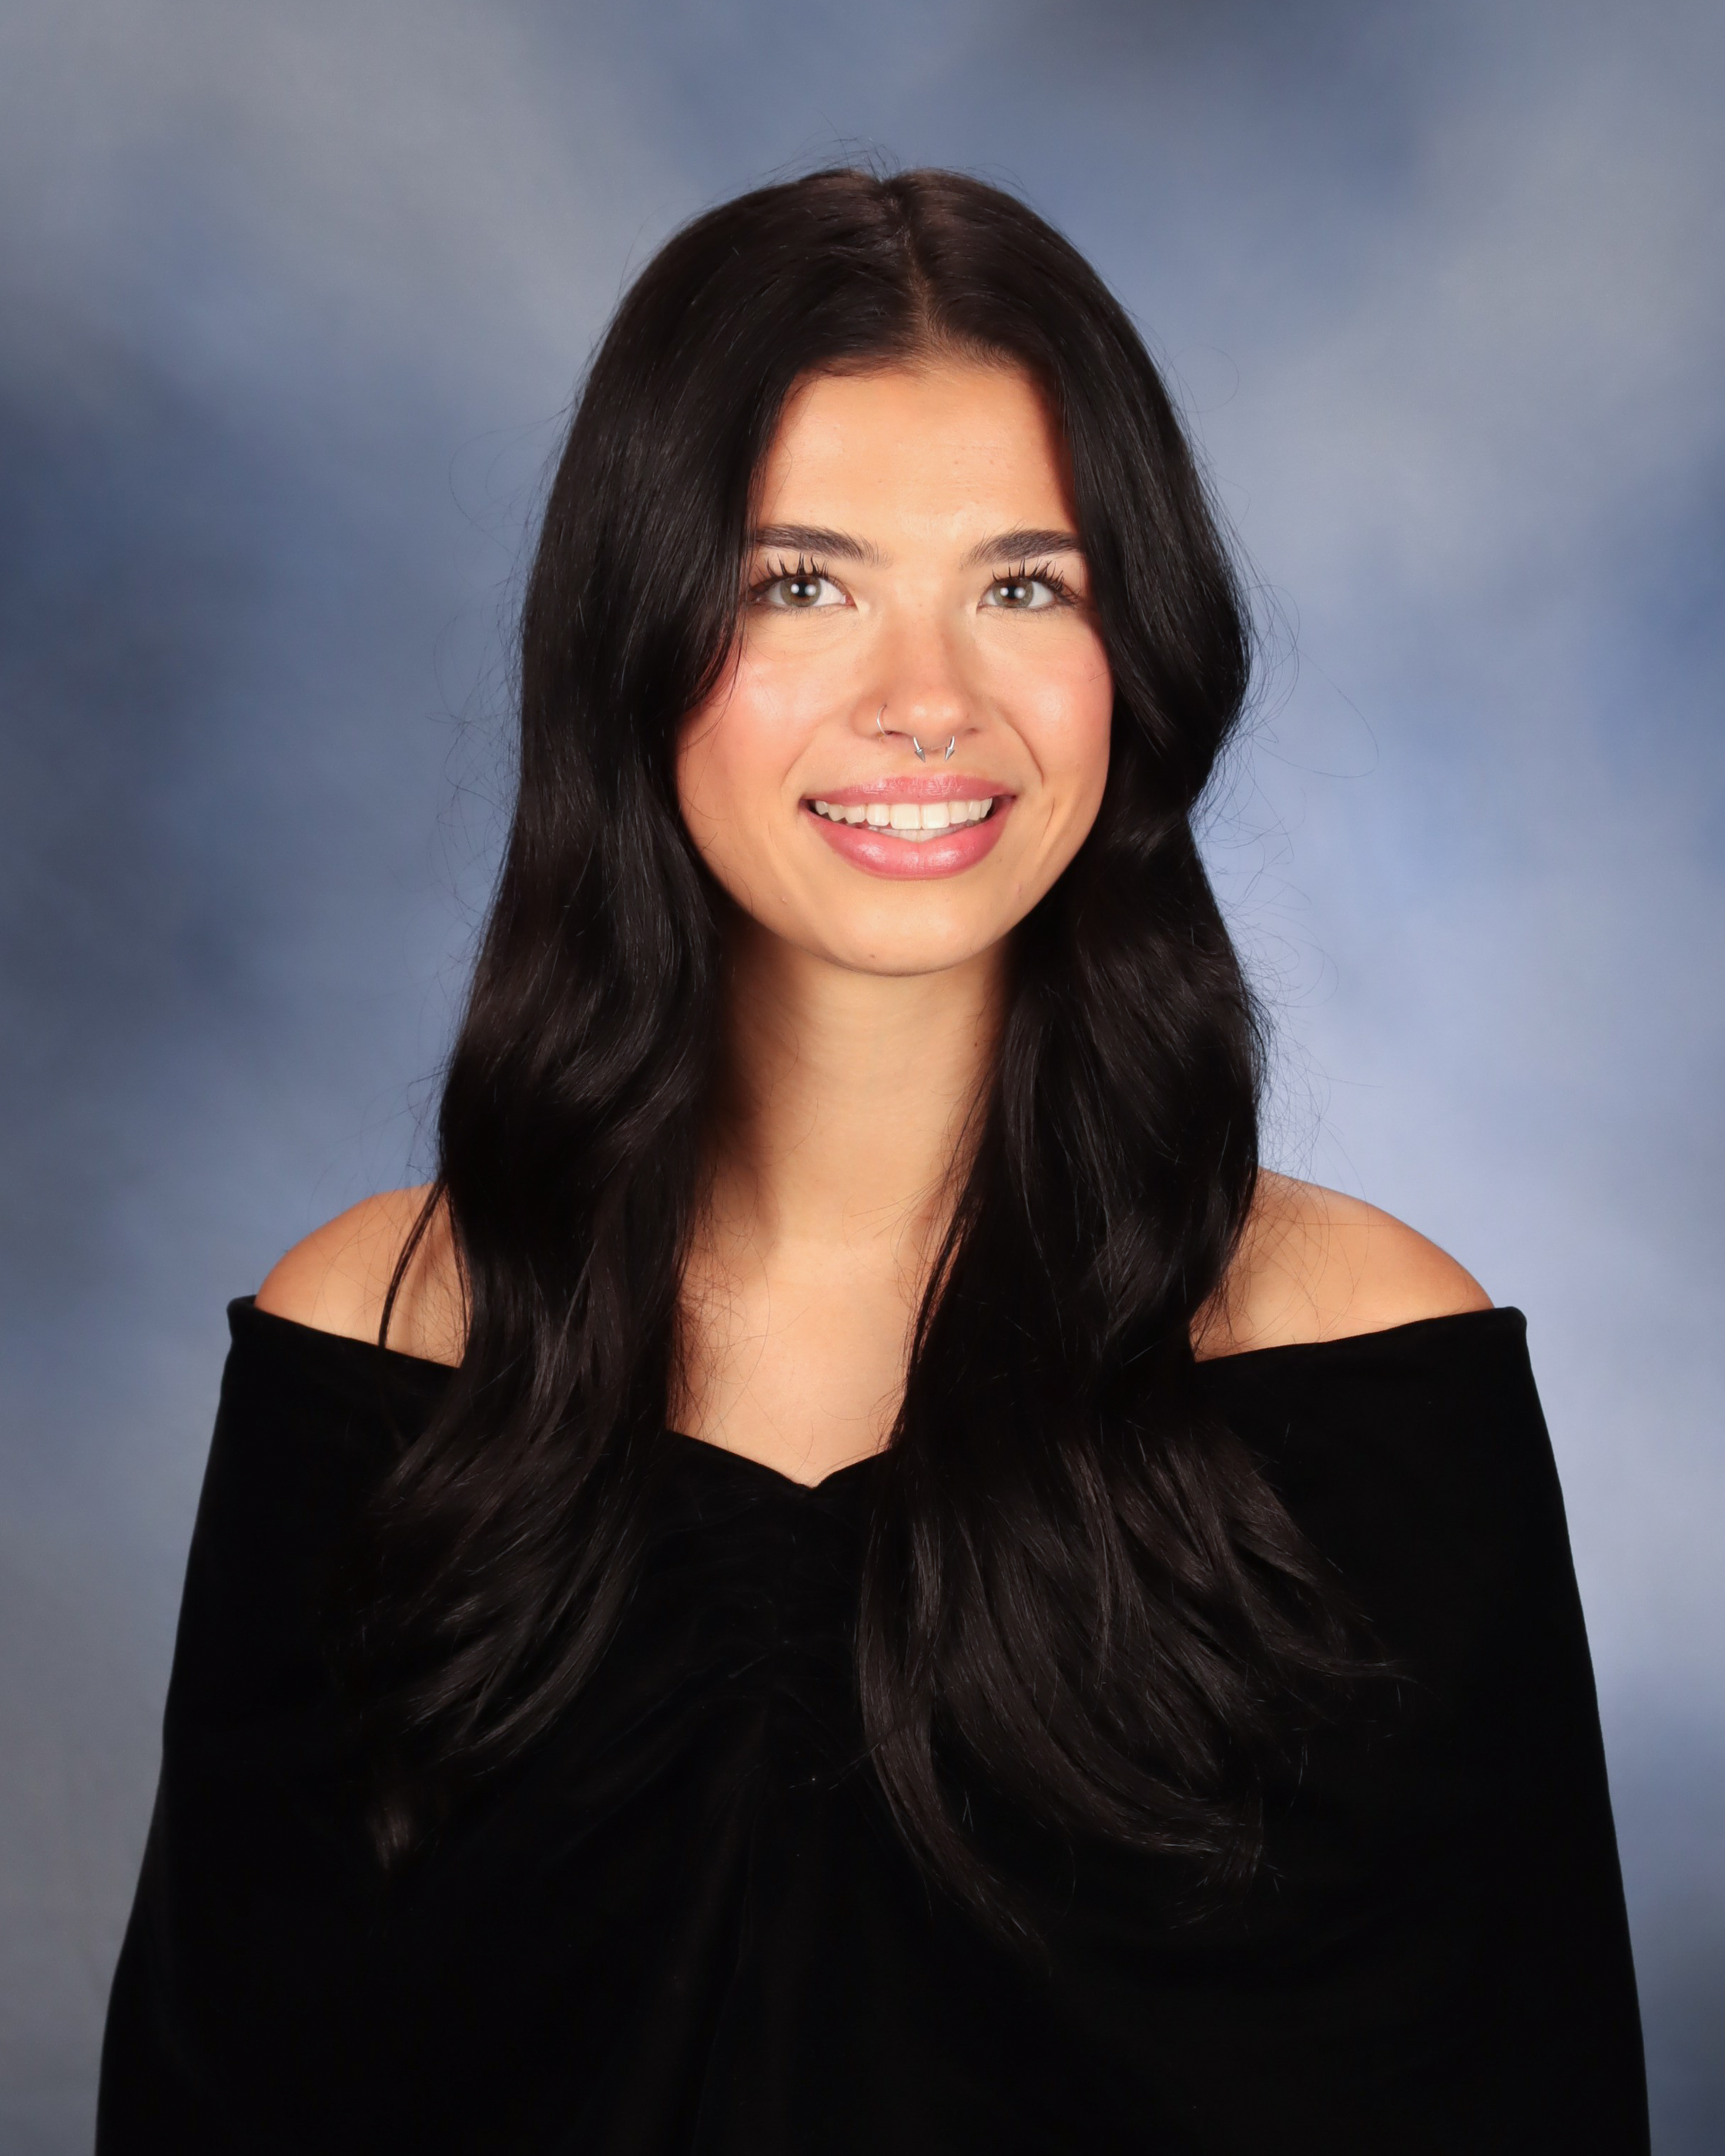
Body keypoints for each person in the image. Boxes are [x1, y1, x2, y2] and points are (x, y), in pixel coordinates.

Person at [96, 168, 1647, 2154]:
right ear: (635, 633)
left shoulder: (1367, 1366)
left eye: (1027, 587)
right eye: (800, 586)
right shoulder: (381, 1347)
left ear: (1139, 651)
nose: (928, 705)